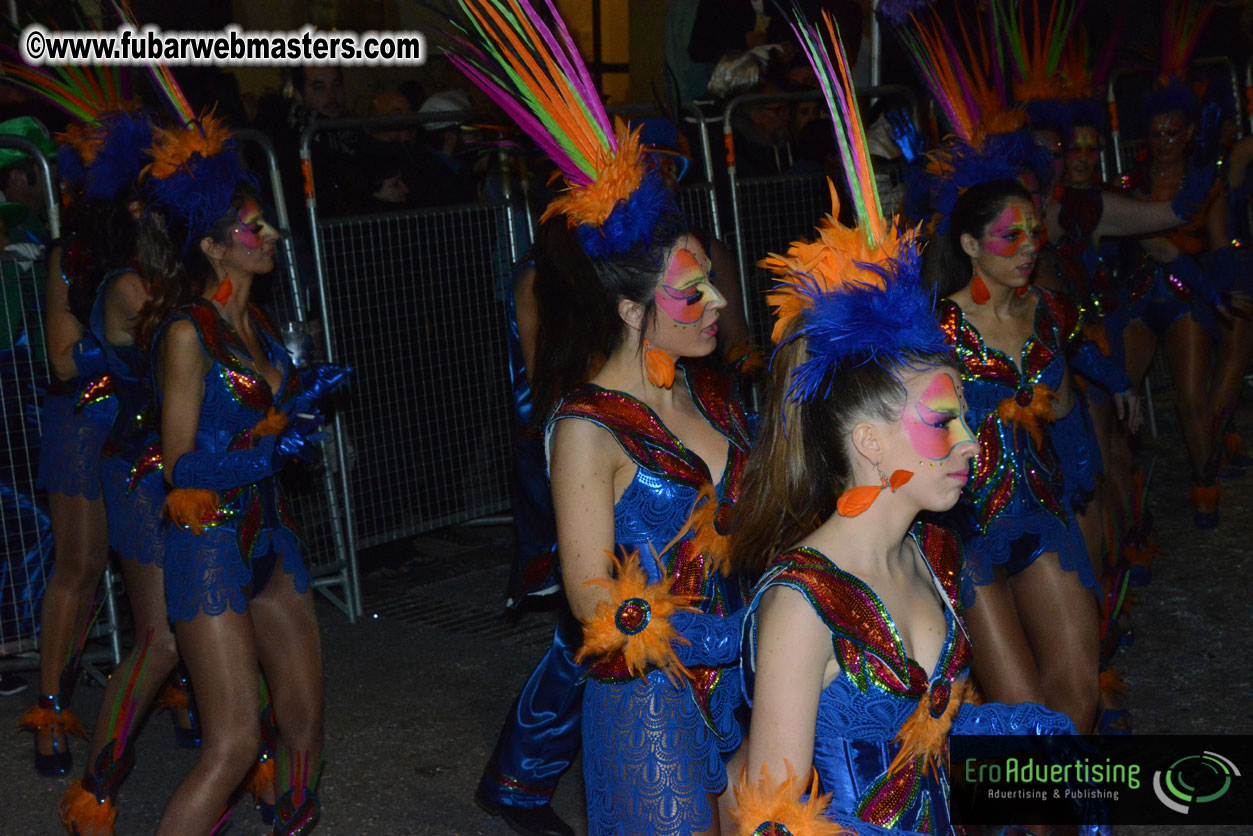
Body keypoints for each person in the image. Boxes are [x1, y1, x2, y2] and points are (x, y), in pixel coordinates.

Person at [727, 17, 1076, 834]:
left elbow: (927, 732)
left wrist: (1025, 742)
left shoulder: (923, 554)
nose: (968, 444)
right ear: (869, 442)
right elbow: (769, 815)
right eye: (944, 424)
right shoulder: (800, 606)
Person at [450, 4, 749, 833]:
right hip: (647, 702)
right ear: (630, 310)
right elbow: (590, 605)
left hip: (743, 693)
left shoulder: (712, 395)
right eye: (694, 294)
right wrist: (718, 634)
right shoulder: (589, 426)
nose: (719, 302)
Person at [143, 106, 347, 836]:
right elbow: (180, 465)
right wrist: (271, 450)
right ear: (211, 246)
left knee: (302, 725)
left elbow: (269, 423)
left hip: (271, 539)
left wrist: (304, 399)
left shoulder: (260, 327)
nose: (270, 236)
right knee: (232, 746)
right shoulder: (186, 334)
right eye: (252, 228)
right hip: (208, 548)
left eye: (267, 225)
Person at [930, 179, 1140, 735]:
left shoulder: (1045, 311)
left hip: (1043, 521)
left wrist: (1082, 500)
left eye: (1034, 233)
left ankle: (1067, 815)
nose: (1029, 246)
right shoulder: (931, 330)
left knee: (1077, 697)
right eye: (1009, 235)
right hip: (965, 533)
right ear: (971, 245)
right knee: (1024, 721)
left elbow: (1065, 411)